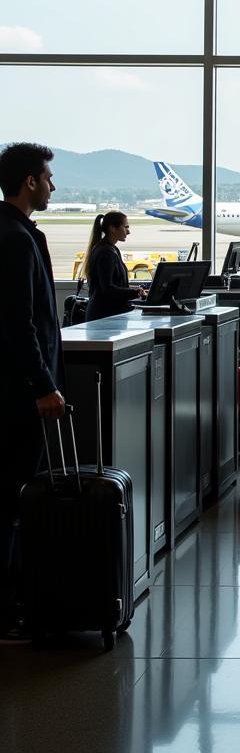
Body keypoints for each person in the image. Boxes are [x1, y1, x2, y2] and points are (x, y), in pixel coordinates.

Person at [0, 143, 64, 642]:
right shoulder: (16, 239)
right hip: (19, 392)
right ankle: (8, 610)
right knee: (14, 498)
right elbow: (19, 324)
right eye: (46, 178)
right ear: (29, 182)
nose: (52, 186)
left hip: (15, 386)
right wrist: (43, 385)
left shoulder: (19, 232)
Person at [82, 211, 144, 321]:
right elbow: (108, 289)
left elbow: (113, 285)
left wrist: (134, 290)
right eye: (125, 227)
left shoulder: (112, 249)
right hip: (104, 316)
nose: (128, 232)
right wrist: (134, 293)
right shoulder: (106, 252)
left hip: (108, 313)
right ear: (112, 228)